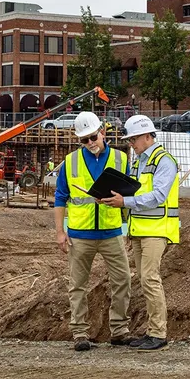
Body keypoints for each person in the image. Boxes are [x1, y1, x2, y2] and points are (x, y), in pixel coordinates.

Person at [53, 111, 136, 351]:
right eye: (84, 140)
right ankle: (80, 333)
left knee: (122, 281)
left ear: (102, 132)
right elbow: (60, 198)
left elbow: (129, 195)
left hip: (111, 231)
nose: (90, 143)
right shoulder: (71, 162)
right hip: (80, 234)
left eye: (92, 137)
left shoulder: (121, 159)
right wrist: (60, 232)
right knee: (78, 284)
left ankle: (119, 331)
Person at [100, 114, 180, 351]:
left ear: (147, 136)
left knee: (150, 279)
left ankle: (158, 333)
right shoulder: (138, 162)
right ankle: (152, 331)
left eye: (134, 139)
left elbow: (158, 196)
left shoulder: (164, 161)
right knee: (145, 281)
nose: (131, 144)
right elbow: (135, 192)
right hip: (139, 229)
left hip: (157, 229)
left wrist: (124, 201)